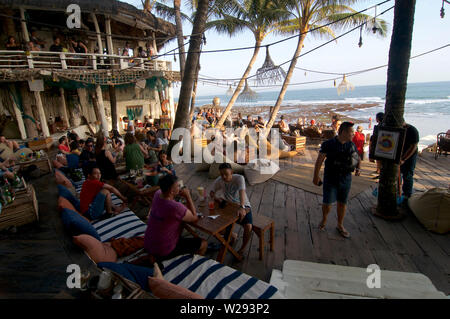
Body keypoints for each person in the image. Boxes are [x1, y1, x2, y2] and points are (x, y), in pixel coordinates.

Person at [143, 174, 207, 261]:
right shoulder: (175, 207)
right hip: (163, 249)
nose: (180, 187)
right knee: (203, 243)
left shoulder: (157, 194)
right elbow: (194, 217)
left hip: (148, 243)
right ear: (171, 191)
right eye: (178, 186)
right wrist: (188, 196)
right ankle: (195, 264)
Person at [313, 122, 360, 239]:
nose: (353, 134)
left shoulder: (351, 144)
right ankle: (324, 219)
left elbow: (357, 157)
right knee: (327, 203)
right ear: (343, 132)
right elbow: (319, 160)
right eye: (351, 132)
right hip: (330, 177)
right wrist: (315, 176)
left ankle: (340, 225)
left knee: (342, 203)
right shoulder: (328, 144)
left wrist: (359, 168)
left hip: (346, 178)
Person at [209, 163, 253, 258]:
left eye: (226, 174)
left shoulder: (239, 178)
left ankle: (242, 249)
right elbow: (211, 192)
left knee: (248, 226)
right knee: (215, 225)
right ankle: (232, 236)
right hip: (228, 206)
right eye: (221, 174)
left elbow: (242, 192)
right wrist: (217, 198)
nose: (224, 177)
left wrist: (242, 207)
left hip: (243, 205)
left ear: (232, 172)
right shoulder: (219, 180)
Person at [399, 121, 419, 201]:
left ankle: (407, 194)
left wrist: (404, 159)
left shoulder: (412, 130)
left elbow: (413, 147)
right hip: (400, 154)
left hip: (410, 156)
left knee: (407, 174)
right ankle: (398, 191)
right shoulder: (399, 129)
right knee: (398, 174)